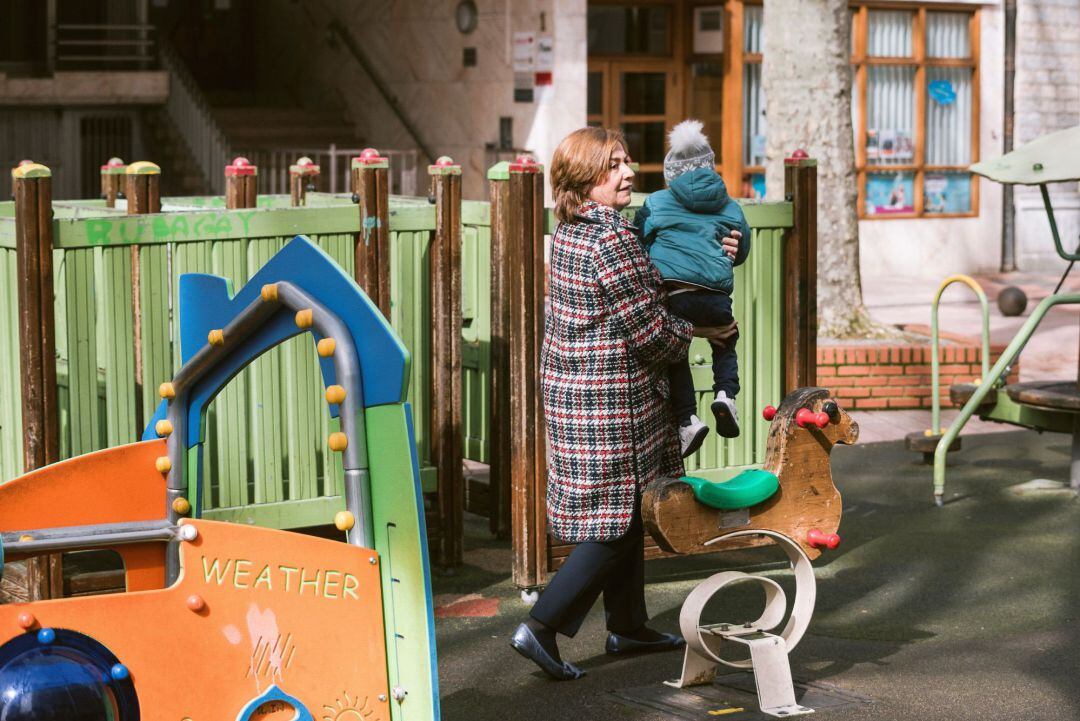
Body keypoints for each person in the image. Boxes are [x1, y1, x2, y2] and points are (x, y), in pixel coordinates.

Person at [509, 127, 741, 681]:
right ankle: (540, 627)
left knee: (627, 507)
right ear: (586, 179)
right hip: (611, 402)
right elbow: (651, 334)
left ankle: (628, 625)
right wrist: (708, 332)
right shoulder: (610, 241)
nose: (629, 171)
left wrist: (720, 243)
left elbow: (657, 270)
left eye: (627, 161)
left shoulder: (574, 232)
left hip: (583, 393)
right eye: (614, 165)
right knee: (612, 521)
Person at [635, 120, 751, 457]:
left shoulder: (657, 202)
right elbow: (740, 252)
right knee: (726, 340)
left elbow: (640, 242)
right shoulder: (730, 206)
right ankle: (726, 395)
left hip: (676, 296)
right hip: (716, 298)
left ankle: (687, 419)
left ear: (672, 175)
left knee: (675, 354)